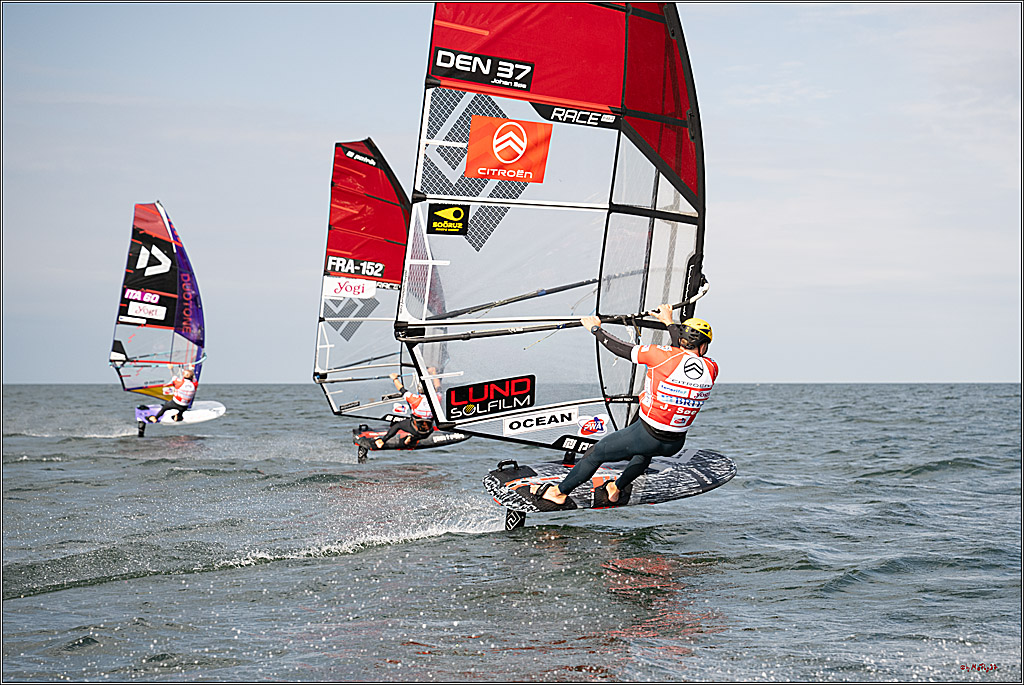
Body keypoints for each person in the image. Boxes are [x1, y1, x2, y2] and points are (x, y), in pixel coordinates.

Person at [530, 304, 718, 508]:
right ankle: (616, 489)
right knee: (643, 453)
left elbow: (621, 349)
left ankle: (558, 492)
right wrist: (669, 322)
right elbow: (680, 355)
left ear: (681, 339)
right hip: (674, 443)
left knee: (596, 453)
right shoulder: (711, 368)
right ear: (704, 346)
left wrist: (596, 329)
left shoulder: (660, 356)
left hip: (647, 434)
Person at [374, 368, 442, 449]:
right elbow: (438, 387)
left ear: (420, 390)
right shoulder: (437, 398)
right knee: (424, 428)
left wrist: (394, 378)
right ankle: (411, 439)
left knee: (398, 425)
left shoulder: (414, 399)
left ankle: (383, 441)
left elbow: (401, 389)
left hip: (414, 429)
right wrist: (434, 372)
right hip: (428, 432)